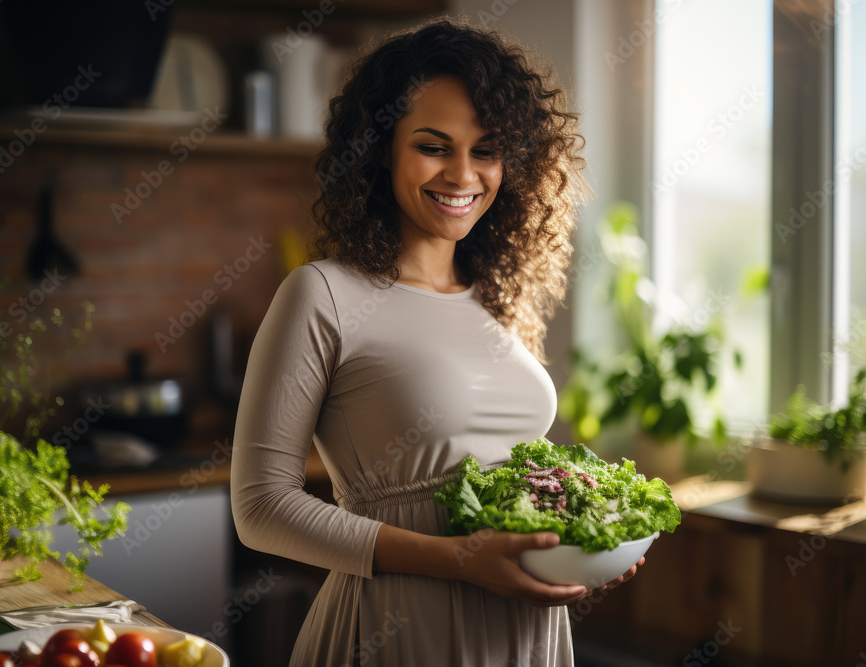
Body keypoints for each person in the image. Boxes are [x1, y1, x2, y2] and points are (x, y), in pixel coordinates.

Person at [230, 15, 644, 666]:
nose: (462, 174)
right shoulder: (323, 294)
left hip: (525, 635)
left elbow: (506, 467)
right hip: (393, 629)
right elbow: (261, 506)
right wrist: (458, 559)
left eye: (485, 150)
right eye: (433, 145)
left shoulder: (501, 297)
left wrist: (583, 539)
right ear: (380, 148)